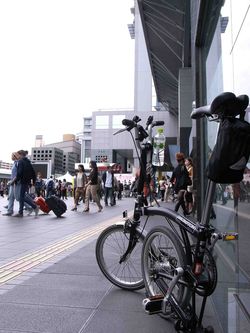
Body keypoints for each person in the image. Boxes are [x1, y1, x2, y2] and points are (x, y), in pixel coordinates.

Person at [14, 150, 39, 217]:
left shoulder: (21, 161)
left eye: (18, 155)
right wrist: (33, 182)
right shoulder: (28, 162)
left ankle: (22, 212)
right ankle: (33, 207)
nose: (17, 156)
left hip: (23, 181)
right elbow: (33, 172)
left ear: (21, 155)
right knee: (22, 197)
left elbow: (19, 172)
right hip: (27, 181)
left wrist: (16, 181)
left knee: (21, 197)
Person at [2, 152, 20, 216]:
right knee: (11, 197)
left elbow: (18, 174)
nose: (11, 157)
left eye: (12, 155)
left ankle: (30, 206)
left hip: (15, 182)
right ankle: (10, 211)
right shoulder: (14, 163)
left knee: (18, 197)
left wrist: (12, 181)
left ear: (15, 156)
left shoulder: (17, 163)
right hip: (13, 182)